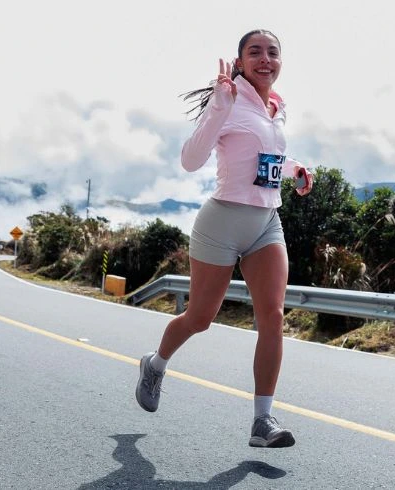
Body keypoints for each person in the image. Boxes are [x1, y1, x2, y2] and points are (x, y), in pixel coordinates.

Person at [135, 30, 314, 449]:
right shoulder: (228, 102)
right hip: (221, 222)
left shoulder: (277, 107)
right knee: (200, 318)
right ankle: (156, 364)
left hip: (267, 223)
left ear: (280, 61)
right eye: (255, 52)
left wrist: (295, 170)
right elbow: (190, 160)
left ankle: (263, 421)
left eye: (272, 52)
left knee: (272, 316)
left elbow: (266, 157)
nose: (265, 59)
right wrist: (219, 106)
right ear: (239, 62)